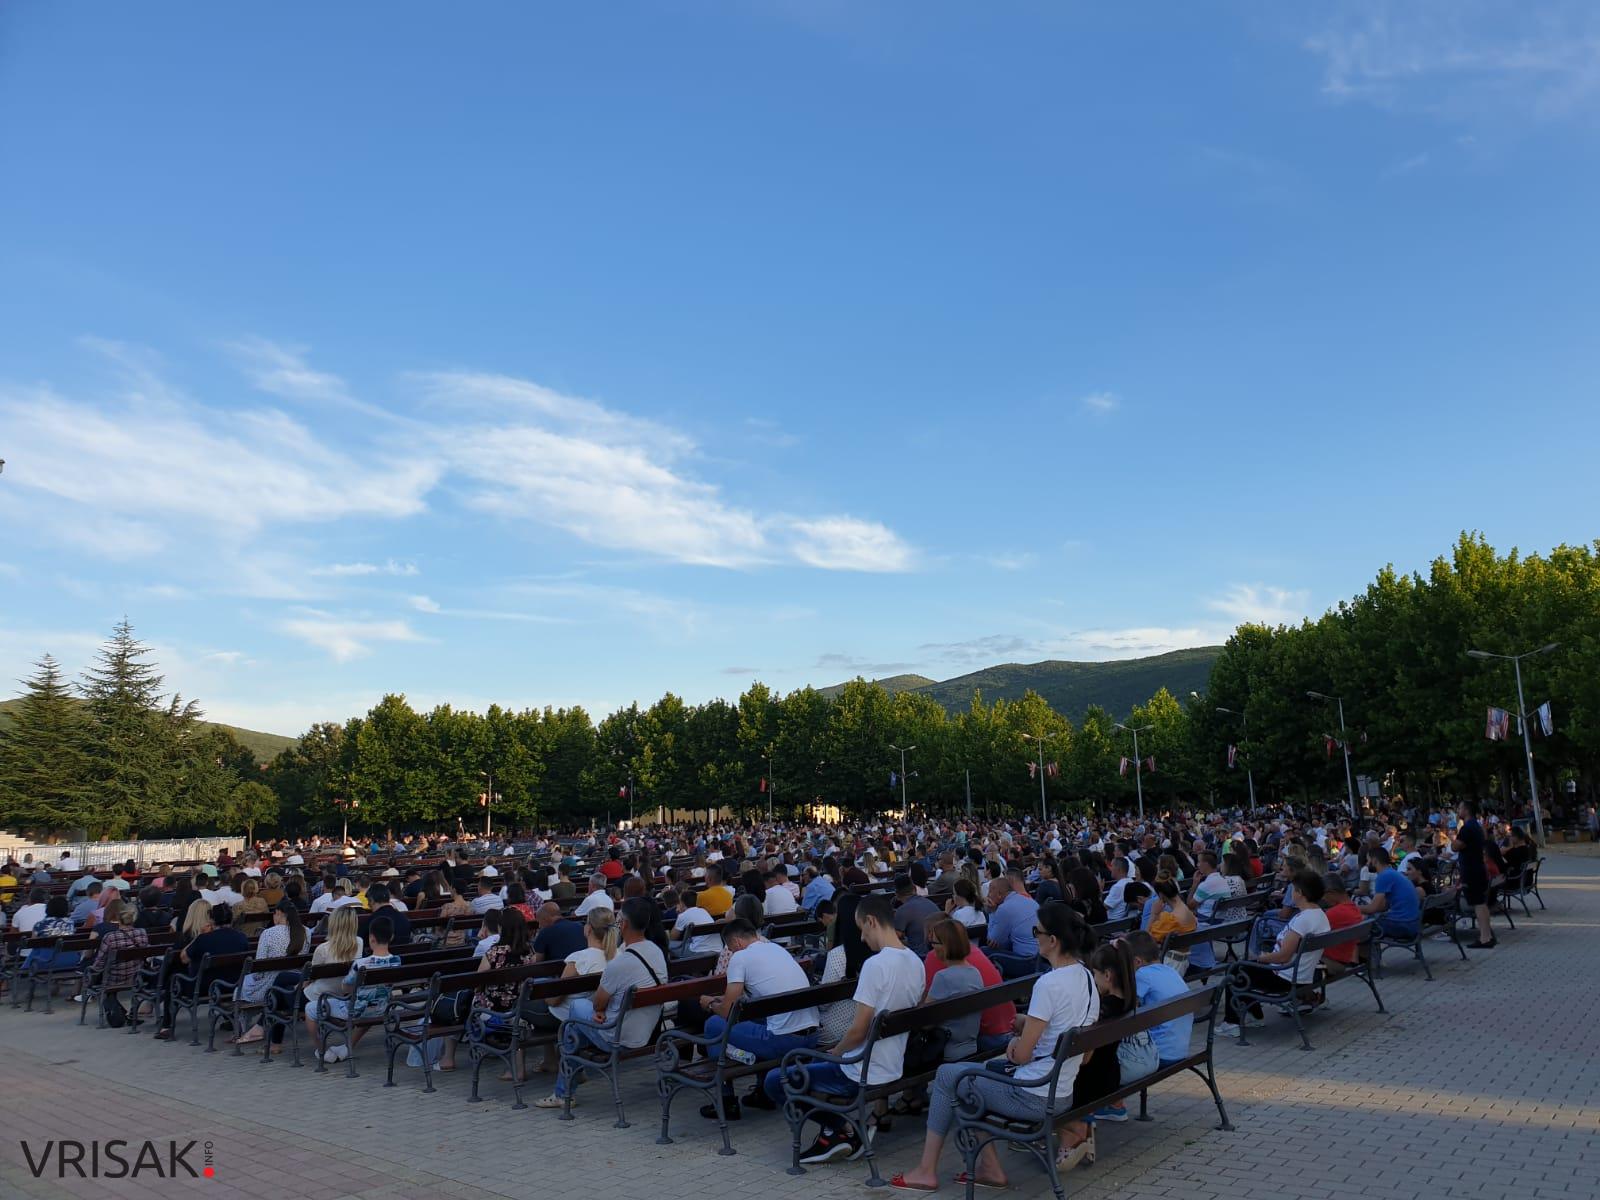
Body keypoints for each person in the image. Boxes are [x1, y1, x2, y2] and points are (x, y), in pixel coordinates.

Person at [890, 901, 1100, 1189]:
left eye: (1036, 930)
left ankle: (927, 1170)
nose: (1033, 934)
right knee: (967, 1079)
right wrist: (1029, 1028)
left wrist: (1016, 1043)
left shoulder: (1050, 984)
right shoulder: (1087, 978)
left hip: (1032, 1095)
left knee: (947, 1077)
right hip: (1060, 1090)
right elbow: (1082, 1052)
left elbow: (1021, 1056)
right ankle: (989, 1168)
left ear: (1052, 940)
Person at [762, 893, 924, 1165]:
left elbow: (859, 1030)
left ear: (871, 922)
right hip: (891, 1064)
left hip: (860, 1070)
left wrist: (835, 1053)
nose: (861, 938)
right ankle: (836, 1131)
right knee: (807, 1064)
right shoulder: (916, 962)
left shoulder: (876, 965)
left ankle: (839, 1129)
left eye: (862, 930)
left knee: (775, 1080)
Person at [536, 897, 668, 1108]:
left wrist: (600, 1009)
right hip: (646, 1030)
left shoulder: (621, 963)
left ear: (623, 924)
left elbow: (598, 1005)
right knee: (576, 1031)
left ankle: (564, 1092)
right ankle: (565, 1088)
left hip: (618, 1036)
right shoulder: (655, 951)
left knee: (576, 1011)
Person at [695, 917, 819, 1121]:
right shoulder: (777, 950)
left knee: (713, 1025)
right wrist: (724, 1000)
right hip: (810, 1036)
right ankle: (762, 1092)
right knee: (761, 1020)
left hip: (782, 1041)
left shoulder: (740, 957)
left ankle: (725, 1100)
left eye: (730, 949)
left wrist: (710, 1003)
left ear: (736, 942)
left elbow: (727, 1012)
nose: (731, 953)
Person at [1219, 870, 1330, 1037]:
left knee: (1235, 969)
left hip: (1285, 978)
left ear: (1300, 893)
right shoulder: (1320, 915)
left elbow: (1283, 956)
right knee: (1246, 969)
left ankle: (1231, 1022)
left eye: (1293, 889)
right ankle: (1254, 1015)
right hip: (1300, 975)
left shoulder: (1303, 920)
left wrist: (1261, 957)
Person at [437, 908, 539, 1077]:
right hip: (520, 1008)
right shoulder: (530, 952)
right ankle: (517, 1069)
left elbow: (477, 983)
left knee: (455, 1006)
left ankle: (448, 1057)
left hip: (492, 1012)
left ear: (502, 928)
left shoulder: (494, 953)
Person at [155, 904, 248, 1040]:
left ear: (212, 920)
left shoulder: (204, 938)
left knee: (173, 980)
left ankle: (167, 1025)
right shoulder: (241, 937)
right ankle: (229, 1019)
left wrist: (199, 936)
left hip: (202, 987)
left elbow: (184, 958)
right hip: (233, 985)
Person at [318, 914, 401, 1064]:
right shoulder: (397, 961)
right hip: (383, 1008)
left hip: (357, 1010)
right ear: (392, 936)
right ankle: (346, 1047)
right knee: (371, 1002)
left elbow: (346, 987)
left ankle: (322, 1050)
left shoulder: (361, 963)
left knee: (312, 1007)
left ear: (371, 938)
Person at [234, 901, 310, 1046]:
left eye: (274, 914)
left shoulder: (268, 933)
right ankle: (260, 1030)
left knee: (241, 987)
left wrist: (257, 978)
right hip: (295, 981)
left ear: (279, 914)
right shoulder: (305, 931)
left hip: (271, 982)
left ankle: (242, 1029)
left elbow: (260, 967)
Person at [1453, 800, 1496, 949]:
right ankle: (1487, 935)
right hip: (1478, 868)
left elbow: (1455, 846)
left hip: (1471, 870)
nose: (1457, 811)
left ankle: (1485, 938)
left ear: (1466, 810)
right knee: (1481, 903)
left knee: (1478, 904)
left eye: (1459, 808)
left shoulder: (1467, 828)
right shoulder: (1477, 826)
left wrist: (1454, 839)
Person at [985, 878, 1041, 978]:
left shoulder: (1004, 908)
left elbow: (991, 940)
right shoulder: (1029, 900)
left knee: (984, 951)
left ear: (999, 894)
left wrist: (992, 912)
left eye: (990, 891)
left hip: (1026, 962)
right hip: (1040, 956)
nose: (988, 895)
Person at [1360, 848, 1420, 938]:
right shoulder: (1392, 873)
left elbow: (1372, 908)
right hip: (1413, 924)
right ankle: (1371, 952)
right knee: (1366, 920)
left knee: (1358, 927)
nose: (1367, 863)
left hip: (1403, 925)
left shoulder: (1384, 876)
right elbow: (1382, 907)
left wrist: (1352, 909)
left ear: (1375, 861)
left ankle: (1366, 952)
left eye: (1368, 860)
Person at [892, 875, 940, 957]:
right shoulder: (929, 902)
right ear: (914, 889)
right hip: (938, 951)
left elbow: (895, 936)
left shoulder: (902, 910)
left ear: (897, 894)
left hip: (920, 955)